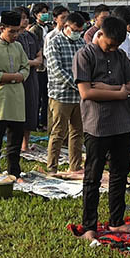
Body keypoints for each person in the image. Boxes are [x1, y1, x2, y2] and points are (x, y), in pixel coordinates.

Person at [74, 16, 130, 237]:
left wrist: (106, 88)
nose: (112, 49)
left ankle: (116, 221)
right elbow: (86, 92)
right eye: (109, 45)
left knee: (120, 175)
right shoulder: (85, 55)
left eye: (116, 45)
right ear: (99, 34)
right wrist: (119, 92)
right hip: (97, 125)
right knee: (93, 177)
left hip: (122, 124)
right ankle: (89, 226)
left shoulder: (120, 55)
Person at [0, 10, 29, 177]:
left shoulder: (18, 47)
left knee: (15, 138)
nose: (15, 35)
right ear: (2, 29)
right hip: (0, 98)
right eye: (12, 31)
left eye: (18, 31)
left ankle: (14, 170)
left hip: (17, 97)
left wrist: (11, 77)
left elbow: (25, 68)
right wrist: (15, 77)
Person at [44, 10, 86, 174]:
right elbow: (56, 70)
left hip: (79, 96)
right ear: (66, 26)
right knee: (58, 132)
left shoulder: (82, 43)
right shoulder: (54, 42)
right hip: (61, 94)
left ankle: (75, 166)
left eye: (79, 31)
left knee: (77, 132)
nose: (77, 33)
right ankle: (52, 167)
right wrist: (79, 85)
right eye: (74, 30)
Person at [14, 7, 44, 149]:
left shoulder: (31, 36)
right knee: (16, 111)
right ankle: (15, 143)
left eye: (26, 17)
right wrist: (32, 62)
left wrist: (30, 62)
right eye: (22, 17)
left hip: (31, 78)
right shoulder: (12, 37)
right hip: (17, 78)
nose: (25, 20)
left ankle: (25, 144)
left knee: (30, 109)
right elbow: (16, 61)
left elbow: (39, 56)